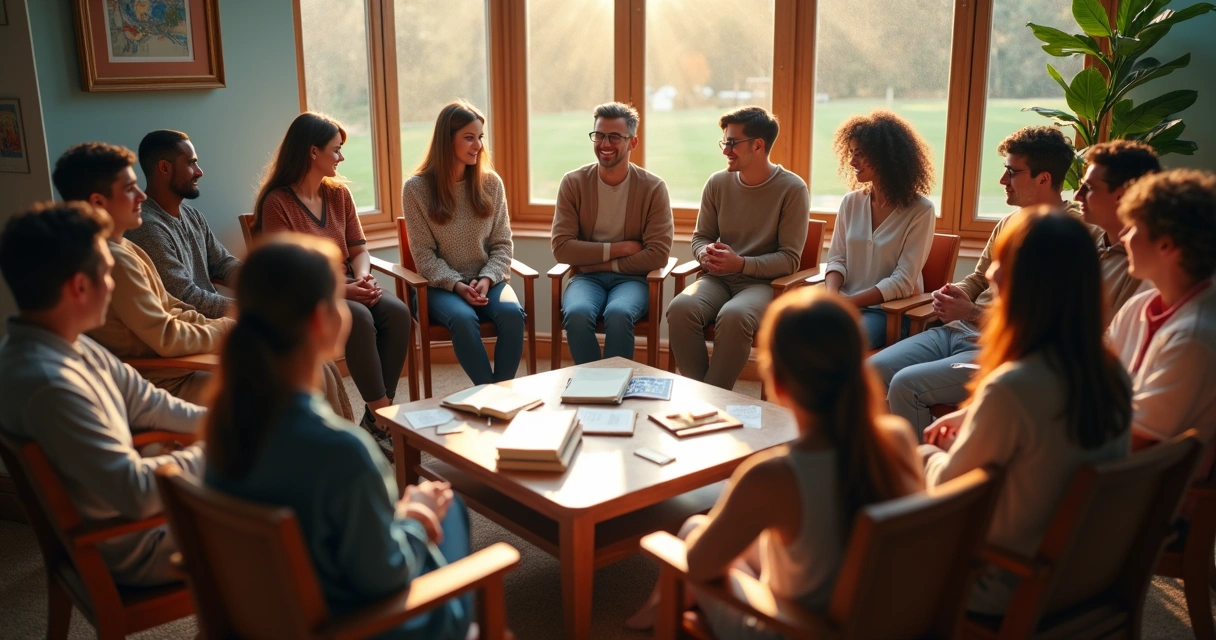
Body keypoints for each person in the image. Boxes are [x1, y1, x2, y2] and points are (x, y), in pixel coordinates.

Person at [204, 235, 472, 639]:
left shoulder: (222, 428)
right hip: (365, 625)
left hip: (281, 614)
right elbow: (386, 576)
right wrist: (417, 515)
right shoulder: (341, 451)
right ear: (319, 319)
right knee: (451, 510)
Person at [627, 287, 923, 634]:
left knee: (690, 540)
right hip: (877, 621)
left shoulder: (775, 475)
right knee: (695, 526)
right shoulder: (897, 439)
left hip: (795, 626)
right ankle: (653, 610)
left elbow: (697, 565)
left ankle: (655, 614)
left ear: (777, 383)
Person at [920, 207, 1132, 615]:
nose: (993, 274)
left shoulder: (1013, 389)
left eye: (1002, 263)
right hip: (1076, 577)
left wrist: (920, 455)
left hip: (997, 582)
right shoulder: (1111, 373)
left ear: (1022, 283)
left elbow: (947, 492)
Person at [0, 201, 205, 586]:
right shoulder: (49, 384)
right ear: (79, 286)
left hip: (141, 519)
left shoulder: (65, 342)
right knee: (292, 505)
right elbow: (139, 494)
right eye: (108, 274)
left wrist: (231, 423)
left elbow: (151, 403)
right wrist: (224, 449)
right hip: (140, 546)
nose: (113, 285)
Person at [870, 126, 1077, 434]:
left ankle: (918, 475)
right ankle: (881, 462)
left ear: (1044, 178)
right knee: (870, 372)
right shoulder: (1008, 221)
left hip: (997, 345)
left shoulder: (1070, 234)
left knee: (906, 385)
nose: (1002, 181)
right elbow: (979, 278)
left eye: (1012, 172)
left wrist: (970, 312)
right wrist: (953, 294)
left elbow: (1041, 320)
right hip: (956, 330)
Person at [255, 112, 412, 449]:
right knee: (358, 317)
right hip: (305, 295)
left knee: (398, 313)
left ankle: (375, 421)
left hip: (350, 283)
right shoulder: (277, 203)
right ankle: (385, 419)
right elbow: (287, 274)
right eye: (335, 150)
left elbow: (359, 248)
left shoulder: (338, 195)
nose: (341, 157)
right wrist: (344, 291)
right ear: (313, 152)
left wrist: (363, 276)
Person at [49, 142, 233, 404]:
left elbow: (174, 308)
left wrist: (227, 325)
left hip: (181, 369)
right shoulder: (112, 261)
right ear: (98, 202)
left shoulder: (125, 246)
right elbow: (167, 337)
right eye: (129, 189)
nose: (142, 196)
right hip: (160, 386)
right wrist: (230, 330)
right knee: (274, 391)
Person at [667, 106, 810, 390]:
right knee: (680, 308)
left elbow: (790, 260)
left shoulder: (792, 189)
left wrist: (741, 264)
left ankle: (711, 400)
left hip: (764, 285)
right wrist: (705, 254)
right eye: (725, 142)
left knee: (734, 316)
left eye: (732, 143)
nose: (726, 151)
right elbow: (700, 237)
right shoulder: (717, 183)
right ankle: (705, 397)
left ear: (758, 145)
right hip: (717, 278)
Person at [402, 100, 525, 385]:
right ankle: (489, 395)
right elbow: (423, 255)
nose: (478, 145)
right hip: (439, 287)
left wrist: (486, 278)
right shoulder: (416, 189)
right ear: (447, 141)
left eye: (480, 137)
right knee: (462, 318)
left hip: (487, 282)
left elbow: (502, 244)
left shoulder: (491, 183)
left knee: (512, 315)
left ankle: (501, 392)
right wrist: (457, 285)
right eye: (469, 137)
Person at [1108, 169, 1216, 472]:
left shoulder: (1193, 339)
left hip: (1136, 495)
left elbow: (1135, 440)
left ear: (1166, 245)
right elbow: (1090, 369)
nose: (1123, 237)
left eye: (1133, 228)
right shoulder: (1140, 304)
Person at [551, 102, 674, 363]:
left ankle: (615, 388)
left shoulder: (653, 188)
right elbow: (562, 248)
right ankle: (593, 385)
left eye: (615, 137)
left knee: (619, 314)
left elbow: (658, 255)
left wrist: (599, 264)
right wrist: (621, 248)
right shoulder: (574, 183)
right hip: (587, 280)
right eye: (599, 135)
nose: (604, 143)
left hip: (632, 280)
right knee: (577, 313)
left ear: (633, 142)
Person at [822, 110, 936, 349]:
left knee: (834, 345)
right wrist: (832, 297)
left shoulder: (920, 210)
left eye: (860, 154)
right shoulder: (850, 202)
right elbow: (836, 259)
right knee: (791, 334)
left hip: (888, 314)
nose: (852, 161)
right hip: (843, 304)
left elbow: (903, 281)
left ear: (887, 157)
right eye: (851, 153)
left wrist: (848, 304)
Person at [127, 130, 241, 319]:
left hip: (215, 324)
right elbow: (185, 297)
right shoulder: (147, 227)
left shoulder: (192, 215)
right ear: (164, 168)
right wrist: (252, 308)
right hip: (192, 329)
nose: (199, 171)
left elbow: (222, 262)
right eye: (190, 163)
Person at [1075, 139, 1160, 318]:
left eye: (1089, 187)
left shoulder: (1145, 266)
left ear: (1120, 196)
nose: (1077, 195)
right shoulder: (1084, 240)